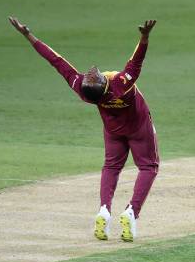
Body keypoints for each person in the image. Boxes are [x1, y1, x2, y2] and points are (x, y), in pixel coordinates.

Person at [8, 17, 159, 243]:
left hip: (112, 130)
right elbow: (136, 61)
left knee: (111, 166)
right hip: (138, 128)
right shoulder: (120, 83)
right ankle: (131, 212)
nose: (91, 71)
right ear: (103, 84)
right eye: (93, 76)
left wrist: (29, 36)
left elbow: (56, 62)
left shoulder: (82, 88)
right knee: (148, 167)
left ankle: (104, 211)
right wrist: (144, 37)